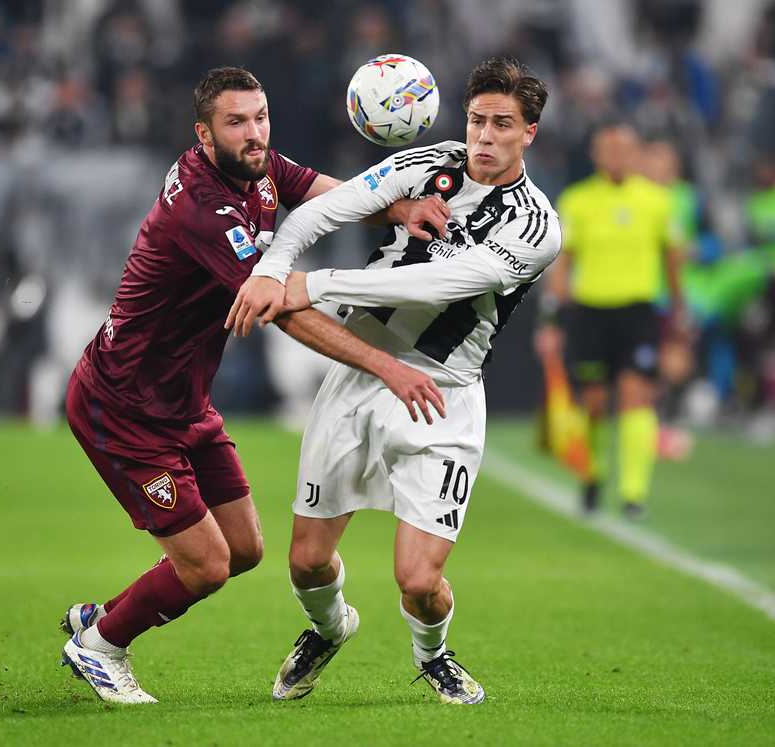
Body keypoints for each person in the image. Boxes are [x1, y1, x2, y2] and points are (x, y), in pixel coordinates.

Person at [58, 67, 447, 705]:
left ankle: (105, 615)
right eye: (237, 122)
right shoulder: (202, 210)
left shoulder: (254, 166)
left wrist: (397, 209)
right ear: (203, 134)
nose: (255, 132)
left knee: (243, 549)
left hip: (182, 403)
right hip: (123, 406)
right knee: (205, 565)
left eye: (261, 116)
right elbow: (283, 308)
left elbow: (323, 194)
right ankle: (101, 646)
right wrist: (385, 365)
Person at [227, 56, 560, 705]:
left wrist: (315, 284)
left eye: (501, 124)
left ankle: (433, 654)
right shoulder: (426, 163)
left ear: (531, 133)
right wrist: (274, 267)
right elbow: (325, 210)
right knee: (305, 561)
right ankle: (328, 627)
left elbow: (442, 282)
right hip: (358, 374)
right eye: (476, 121)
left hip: (442, 392)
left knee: (416, 578)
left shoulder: (536, 226)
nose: (484, 137)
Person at [537, 122, 685, 519]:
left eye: (625, 149)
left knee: (637, 396)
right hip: (590, 312)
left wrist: (679, 316)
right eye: (609, 149)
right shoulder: (578, 200)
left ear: (637, 154)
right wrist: (551, 319)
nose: (618, 156)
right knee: (595, 402)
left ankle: (633, 494)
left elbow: (673, 263)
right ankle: (594, 476)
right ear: (596, 155)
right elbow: (563, 263)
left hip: (638, 312)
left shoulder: (658, 201)